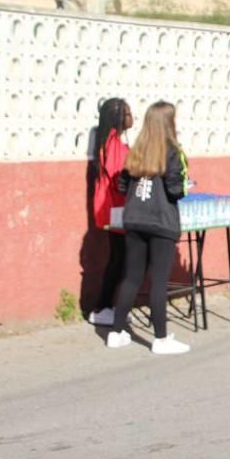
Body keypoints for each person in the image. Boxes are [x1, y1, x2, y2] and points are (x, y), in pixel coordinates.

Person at [107, 101, 191, 354]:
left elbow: (122, 186)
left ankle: (116, 331)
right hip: (161, 221)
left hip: (134, 219)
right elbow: (176, 190)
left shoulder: (136, 150)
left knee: (132, 277)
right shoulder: (173, 151)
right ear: (169, 123)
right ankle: (161, 339)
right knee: (158, 281)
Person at [89, 98, 133, 327]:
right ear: (118, 118)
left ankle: (108, 305)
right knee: (119, 260)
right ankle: (103, 307)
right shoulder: (113, 144)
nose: (131, 117)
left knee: (120, 259)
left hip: (115, 208)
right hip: (115, 209)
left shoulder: (111, 142)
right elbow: (120, 178)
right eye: (127, 113)